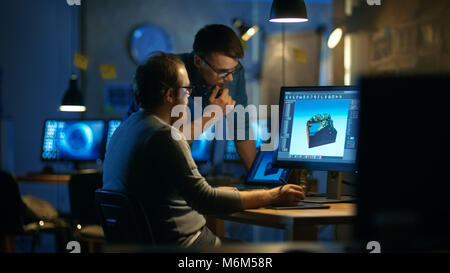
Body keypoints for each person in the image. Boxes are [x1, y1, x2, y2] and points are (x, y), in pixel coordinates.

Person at [103, 52, 305, 248]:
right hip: (185, 246)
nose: (189, 97)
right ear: (170, 95)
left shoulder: (124, 130)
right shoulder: (164, 137)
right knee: (253, 253)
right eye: (187, 90)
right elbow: (206, 201)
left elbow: (182, 195)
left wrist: (230, 192)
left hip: (148, 245)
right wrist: (275, 195)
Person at [124, 24, 256, 171]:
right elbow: (170, 141)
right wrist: (213, 114)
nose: (230, 78)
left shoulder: (233, 74)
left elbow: (241, 129)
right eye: (223, 72)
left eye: (233, 69)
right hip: (140, 162)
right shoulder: (169, 73)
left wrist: (259, 181)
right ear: (198, 62)